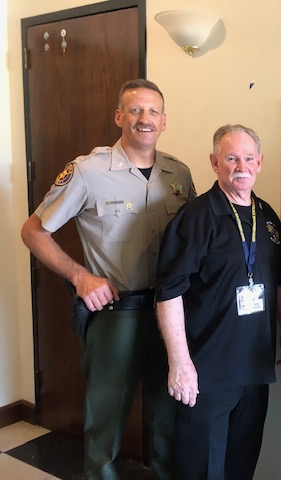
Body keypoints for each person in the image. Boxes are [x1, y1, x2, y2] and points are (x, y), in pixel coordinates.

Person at [21, 79, 196, 479]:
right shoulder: (88, 171)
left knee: (171, 418)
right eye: (135, 110)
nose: (144, 119)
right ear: (119, 116)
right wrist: (80, 275)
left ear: (164, 121)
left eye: (153, 111)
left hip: (168, 313)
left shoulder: (179, 174)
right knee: (105, 422)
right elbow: (33, 231)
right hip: (117, 314)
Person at [154, 124, 281, 480]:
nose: (241, 166)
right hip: (206, 372)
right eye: (231, 158)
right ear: (215, 162)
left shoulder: (267, 218)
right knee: (201, 469)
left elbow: (277, 281)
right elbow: (168, 292)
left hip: (254, 369)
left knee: (240, 465)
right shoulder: (195, 218)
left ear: (260, 162)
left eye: (248, 158)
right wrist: (180, 362)